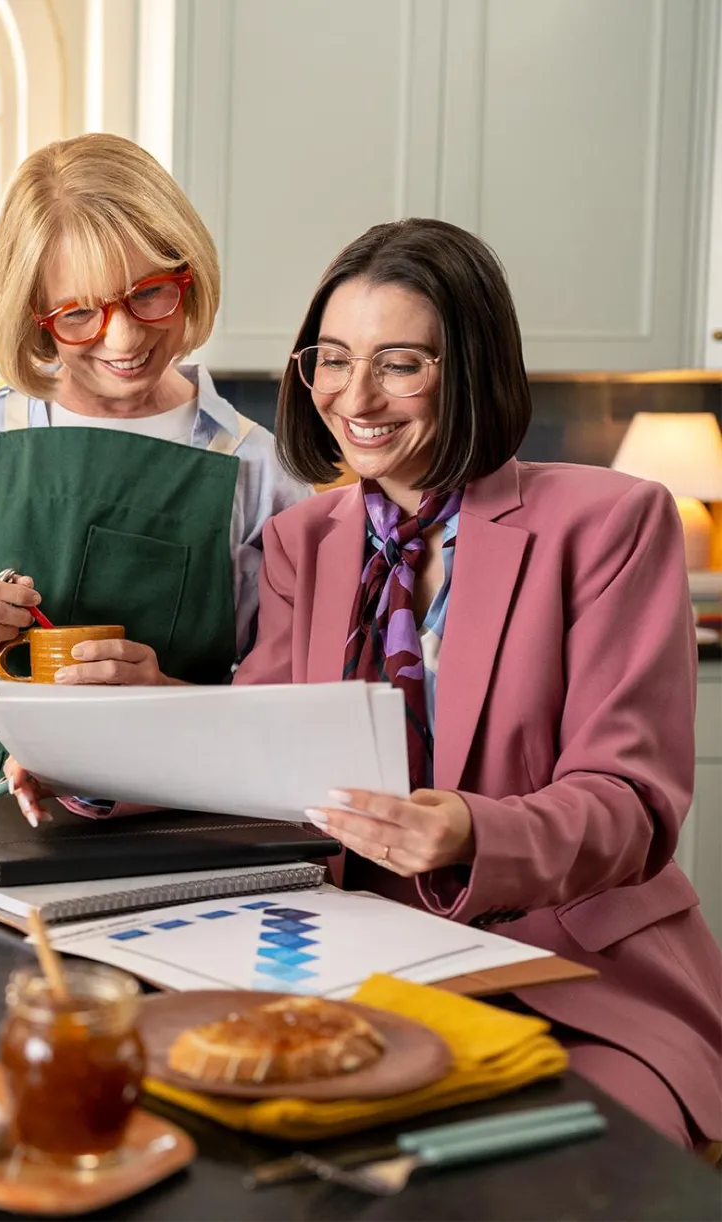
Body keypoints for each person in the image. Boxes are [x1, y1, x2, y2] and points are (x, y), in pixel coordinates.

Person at [233, 218, 722, 1151]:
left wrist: (471, 829)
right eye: (331, 359)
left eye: (400, 363)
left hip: (574, 972)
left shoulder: (612, 521)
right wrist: (90, 774)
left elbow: (633, 804)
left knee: (562, 1180)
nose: (355, 396)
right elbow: (255, 763)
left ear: (472, 369)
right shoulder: (305, 541)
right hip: (357, 961)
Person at [0, 133, 310, 805]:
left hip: (158, 822)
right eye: (79, 313)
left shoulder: (258, 471)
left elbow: (284, 717)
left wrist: (164, 697)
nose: (125, 338)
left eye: (151, 294)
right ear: (36, 318)